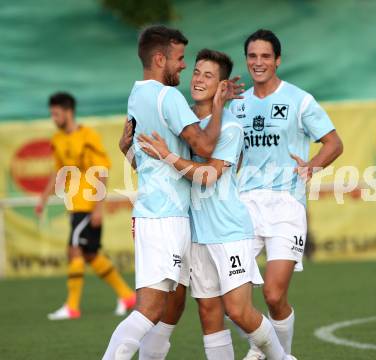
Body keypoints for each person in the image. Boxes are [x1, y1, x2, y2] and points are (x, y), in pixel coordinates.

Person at [140, 49, 297, 360]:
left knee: (238, 311)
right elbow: (153, 163)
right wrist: (128, 148)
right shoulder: (181, 122)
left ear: (222, 86)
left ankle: (282, 357)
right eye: (197, 72)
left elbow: (208, 175)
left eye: (208, 75)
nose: (198, 79)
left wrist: (169, 157)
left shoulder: (230, 127)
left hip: (228, 231)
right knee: (209, 314)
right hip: (196, 234)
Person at [102, 26, 241, 360]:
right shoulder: (168, 97)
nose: (183, 66)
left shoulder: (137, 95)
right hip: (161, 218)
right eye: (180, 60)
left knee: (170, 306)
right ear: (160, 58)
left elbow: (148, 163)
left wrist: (128, 152)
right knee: (149, 309)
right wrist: (219, 105)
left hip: (169, 215)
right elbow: (206, 145)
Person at [229, 29, 344, 359]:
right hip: (244, 205)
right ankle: (264, 349)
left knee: (273, 295)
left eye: (266, 56)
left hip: (285, 205)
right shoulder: (237, 104)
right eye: (252, 56)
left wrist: (311, 166)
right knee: (228, 295)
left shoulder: (300, 100)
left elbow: (334, 143)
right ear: (246, 60)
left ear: (277, 60)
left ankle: (277, 353)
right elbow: (231, 155)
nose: (258, 62)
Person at [36, 92, 136, 320]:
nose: (54, 118)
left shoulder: (88, 136)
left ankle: (72, 306)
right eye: (52, 114)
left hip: (88, 204)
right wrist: (42, 199)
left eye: (56, 113)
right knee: (90, 254)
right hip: (75, 205)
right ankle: (127, 295)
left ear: (68, 112)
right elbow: (57, 171)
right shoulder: (58, 140)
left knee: (74, 251)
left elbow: (101, 170)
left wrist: (98, 207)